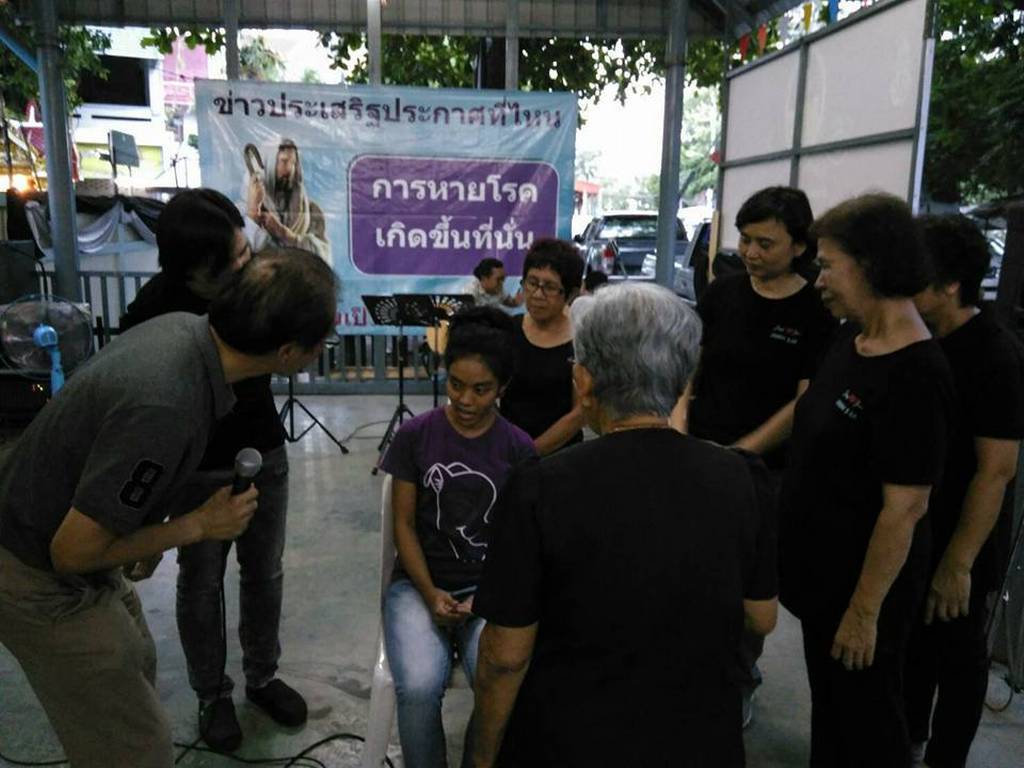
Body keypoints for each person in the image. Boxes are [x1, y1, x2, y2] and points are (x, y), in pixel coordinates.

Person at [0, 249, 338, 768]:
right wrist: (198, 524)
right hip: (34, 574)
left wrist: (141, 531)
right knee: (137, 750)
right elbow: (71, 552)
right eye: (322, 341)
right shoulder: (167, 403)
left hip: (69, 556)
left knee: (136, 663)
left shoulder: (185, 333)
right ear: (290, 354)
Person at [470, 282, 778, 767]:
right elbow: (760, 619)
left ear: (584, 381)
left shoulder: (540, 488)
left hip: (570, 741)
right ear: (682, 379)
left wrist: (480, 758)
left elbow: (505, 657)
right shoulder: (742, 477)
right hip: (700, 740)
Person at [120, 189, 306, 753]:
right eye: (237, 258)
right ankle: (211, 693)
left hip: (262, 452)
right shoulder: (152, 315)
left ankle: (262, 677)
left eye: (247, 250)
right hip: (195, 469)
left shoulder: (254, 289)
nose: (250, 264)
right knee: (200, 582)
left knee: (264, 571)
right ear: (197, 271)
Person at [779, 194, 955, 767]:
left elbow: (904, 508)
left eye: (829, 266)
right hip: (823, 578)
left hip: (865, 589)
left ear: (872, 265)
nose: (819, 281)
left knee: (868, 721)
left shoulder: (916, 373)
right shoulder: (850, 339)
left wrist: (863, 612)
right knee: (833, 713)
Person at [676, 186, 837, 725]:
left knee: (747, 584)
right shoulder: (723, 294)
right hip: (700, 453)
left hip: (764, 470)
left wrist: (742, 453)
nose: (750, 252)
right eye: (745, 240)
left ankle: (740, 675)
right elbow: (691, 366)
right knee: (692, 569)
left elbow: (804, 402)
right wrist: (679, 423)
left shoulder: (816, 308)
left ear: (800, 246)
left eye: (765, 243)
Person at [380, 307, 536, 768]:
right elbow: (403, 526)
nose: (465, 400)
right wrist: (430, 593)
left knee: (501, 678)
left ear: (503, 387)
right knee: (418, 685)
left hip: (490, 595)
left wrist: (486, 597)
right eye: (455, 384)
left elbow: (521, 544)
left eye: (481, 389)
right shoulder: (414, 436)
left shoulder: (518, 449)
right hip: (417, 586)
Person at [905, 214, 1024, 768]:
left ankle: (945, 757)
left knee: (957, 654)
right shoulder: (923, 337)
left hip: (962, 534)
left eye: (915, 271)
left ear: (950, 283)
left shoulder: (993, 354)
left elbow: (996, 470)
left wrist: (959, 563)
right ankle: (907, 739)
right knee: (914, 646)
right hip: (915, 524)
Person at [498, 239, 586, 455]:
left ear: (571, 294)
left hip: (562, 457)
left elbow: (580, 412)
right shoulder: (508, 331)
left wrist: (531, 452)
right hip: (507, 451)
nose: (537, 294)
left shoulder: (582, 341)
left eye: (550, 287)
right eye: (532, 283)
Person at [246, 138, 332, 266]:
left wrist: (286, 235)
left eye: (293, 163)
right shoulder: (242, 210)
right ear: (268, 163)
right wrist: (253, 215)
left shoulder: (311, 211)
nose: (290, 169)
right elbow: (244, 258)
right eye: (284, 161)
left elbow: (324, 259)